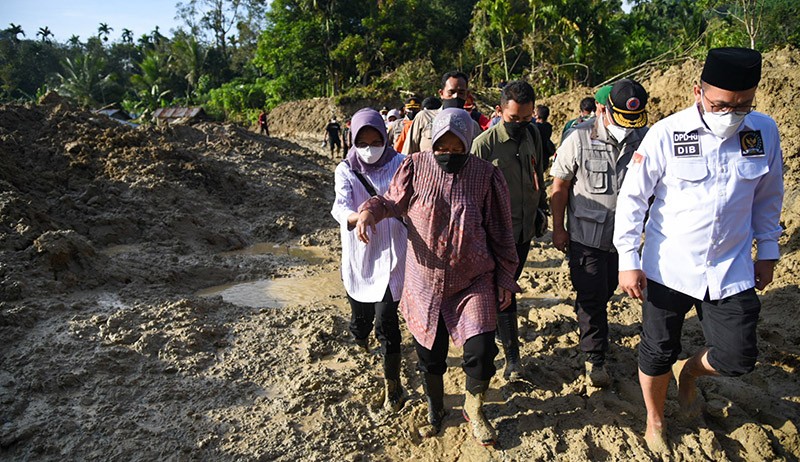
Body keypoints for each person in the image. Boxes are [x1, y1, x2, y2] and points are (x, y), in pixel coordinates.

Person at [613, 47, 783, 453]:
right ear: (698, 92)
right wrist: (627, 260)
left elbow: (768, 195)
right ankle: (655, 420)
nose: (732, 114)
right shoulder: (667, 133)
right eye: (721, 104)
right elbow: (632, 199)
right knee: (656, 351)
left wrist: (770, 250)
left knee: (738, 356)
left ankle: (687, 374)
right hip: (669, 265)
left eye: (743, 105)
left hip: (731, 265)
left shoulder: (763, 132)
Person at [356, 108, 520, 446]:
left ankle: (474, 408)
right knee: (431, 356)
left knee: (482, 349)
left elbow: (503, 232)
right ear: (432, 143)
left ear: (468, 143)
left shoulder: (486, 176)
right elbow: (390, 201)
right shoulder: (415, 166)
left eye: (457, 148)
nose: (449, 154)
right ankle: (436, 408)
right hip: (424, 281)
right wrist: (368, 213)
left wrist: (505, 277)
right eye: (442, 148)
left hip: (473, 280)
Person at [550, 79, 650, 388]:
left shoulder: (645, 138)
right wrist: (558, 228)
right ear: (602, 110)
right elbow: (560, 186)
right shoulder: (578, 139)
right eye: (622, 118)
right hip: (586, 237)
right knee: (593, 298)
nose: (628, 126)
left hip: (627, 241)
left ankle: (587, 314)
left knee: (604, 292)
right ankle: (595, 359)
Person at [331, 108, 408, 413]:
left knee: (387, 322)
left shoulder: (402, 164)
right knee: (361, 319)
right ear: (352, 141)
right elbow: (340, 206)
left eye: (376, 140)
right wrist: (358, 218)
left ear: (385, 138)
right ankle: (360, 339)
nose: (370, 148)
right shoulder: (346, 169)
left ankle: (393, 385)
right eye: (362, 142)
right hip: (362, 253)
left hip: (395, 255)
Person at [471, 80, 548, 382]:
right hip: (495, 237)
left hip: (524, 232)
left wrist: (540, 209)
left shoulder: (532, 134)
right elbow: (473, 197)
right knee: (504, 293)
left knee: (506, 288)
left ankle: (502, 340)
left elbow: (537, 172)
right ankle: (512, 359)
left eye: (527, 118)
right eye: (514, 118)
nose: (520, 124)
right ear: (500, 111)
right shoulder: (484, 146)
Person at [401, 71, 482, 155]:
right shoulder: (424, 118)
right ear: (441, 93)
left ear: (467, 94)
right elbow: (407, 154)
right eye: (451, 92)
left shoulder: (472, 125)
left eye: (461, 93)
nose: (456, 96)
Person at [535, 104, 556, 170]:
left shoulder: (535, 127)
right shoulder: (548, 127)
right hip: (545, 158)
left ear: (537, 116)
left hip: (537, 157)